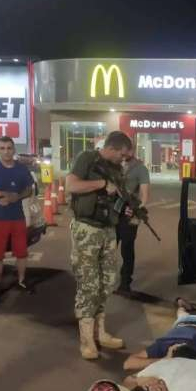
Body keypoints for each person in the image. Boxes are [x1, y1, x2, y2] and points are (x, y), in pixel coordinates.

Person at [66, 131, 131, 360]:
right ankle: (86, 341)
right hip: (87, 229)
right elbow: (71, 185)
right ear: (113, 148)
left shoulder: (117, 169)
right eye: (122, 155)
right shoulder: (87, 158)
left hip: (108, 231)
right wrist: (102, 183)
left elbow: (116, 201)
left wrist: (126, 209)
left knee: (107, 282)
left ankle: (100, 332)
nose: (123, 159)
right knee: (88, 285)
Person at [0, 136, 35, 292]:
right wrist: (3, 194)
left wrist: (17, 196)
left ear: (14, 149)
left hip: (17, 218)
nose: (6, 151)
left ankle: (22, 281)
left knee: (21, 252)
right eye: (2, 148)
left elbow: (29, 189)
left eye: (9, 148)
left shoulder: (21, 169)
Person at [123, 297, 196, 371]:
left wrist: (164, 360)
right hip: (187, 323)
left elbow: (128, 364)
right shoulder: (165, 344)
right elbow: (127, 364)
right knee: (183, 315)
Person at [114, 143, 150, 295]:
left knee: (127, 249)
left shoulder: (140, 168)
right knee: (108, 248)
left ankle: (125, 283)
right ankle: (103, 281)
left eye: (127, 150)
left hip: (129, 214)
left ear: (132, 150)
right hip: (112, 213)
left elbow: (145, 193)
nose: (123, 152)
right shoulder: (114, 165)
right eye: (122, 150)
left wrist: (137, 209)